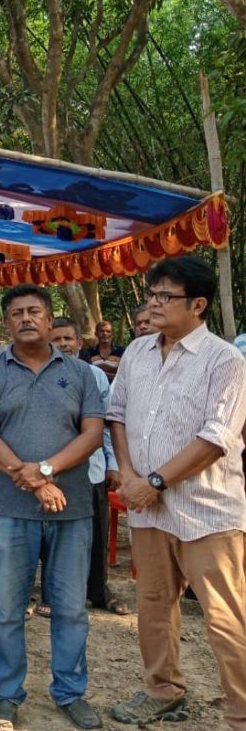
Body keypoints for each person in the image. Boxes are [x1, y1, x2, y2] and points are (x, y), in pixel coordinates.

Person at [107, 256, 246, 729]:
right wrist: (129, 475)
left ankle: (241, 711)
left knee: (225, 617)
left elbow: (216, 438)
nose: (153, 303)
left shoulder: (225, 360)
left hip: (208, 512)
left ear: (198, 304)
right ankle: (162, 690)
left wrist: (155, 482)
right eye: (152, 294)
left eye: (165, 296)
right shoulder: (137, 352)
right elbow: (117, 414)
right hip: (148, 509)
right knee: (153, 605)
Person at [0, 284, 105, 731]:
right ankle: (6, 694)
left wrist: (45, 471)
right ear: (5, 322)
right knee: (8, 610)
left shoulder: (81, 373)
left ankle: (70, 693)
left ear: (50, 319)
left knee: (70, 608)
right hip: (9, 510)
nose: (26, 318)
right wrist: (33, 482)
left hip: (72, 508)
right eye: (16, 313)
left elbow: (92, 435)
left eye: (34, 311)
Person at [47, 317, 129, 617]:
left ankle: (98, 591)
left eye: (68, 339)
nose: (64, 344)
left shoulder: (95, 376)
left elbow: (107, 425)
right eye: (57, 339)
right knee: (53, 534)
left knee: (95, 534)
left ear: (79, 343)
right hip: (52, 471)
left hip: (92, 469)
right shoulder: (38, 376)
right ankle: (51, 594)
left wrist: (113, 464)